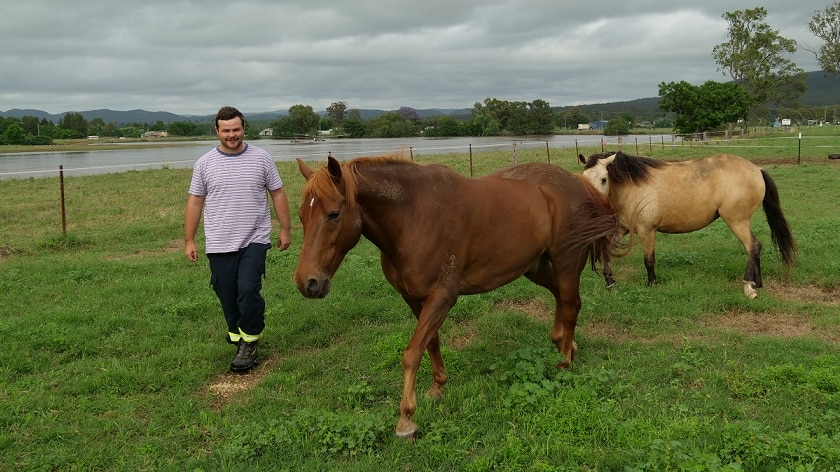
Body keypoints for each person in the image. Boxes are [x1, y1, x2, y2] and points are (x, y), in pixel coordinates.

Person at [184, 106, 292, 373]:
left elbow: (277, 193)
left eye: (236, 129)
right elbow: (195, 202)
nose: (232, 135)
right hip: (220, 241)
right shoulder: (204, 164)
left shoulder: (262, 158)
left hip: (254, 238)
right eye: (226, 130)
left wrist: (285, 228)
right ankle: (237, 334)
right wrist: (189, 240)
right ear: (217, 131)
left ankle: (250, 343)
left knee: (247, 289)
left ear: (244, 128)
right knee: (226, 293)